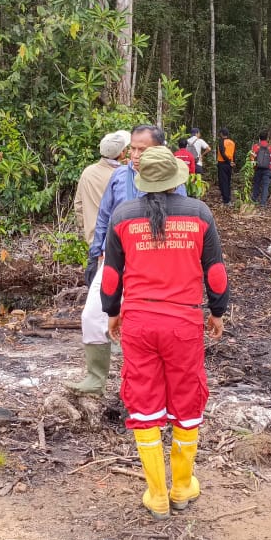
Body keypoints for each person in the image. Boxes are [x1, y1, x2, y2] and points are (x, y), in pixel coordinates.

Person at [101, 146, 229, 519]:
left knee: (143, 400)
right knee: (187, 398)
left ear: (142, 182)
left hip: (138, 323)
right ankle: (182, 487)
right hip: (184, 325)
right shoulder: (199, 213)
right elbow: (215, 272)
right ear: (176, 178)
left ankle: (156, 494)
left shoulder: (123, 216)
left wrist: (112, 313)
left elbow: (111, 275)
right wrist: (217, 312)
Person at [68, 125, 187, 394]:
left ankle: (144, 384)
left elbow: (181, 221)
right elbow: (104, 217)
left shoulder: (174, 182)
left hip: (153, 262)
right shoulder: (120, 177)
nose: (134, 154)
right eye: (132, 148)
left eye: (141, 149)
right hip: (114, 256)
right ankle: (95, 378)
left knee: (144, 322)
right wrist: (95, 253)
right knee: (92, 314)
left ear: (158, 150)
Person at [74, 131, 131, 241]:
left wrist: (86, 225)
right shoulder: (124, 175)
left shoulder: (87, 172)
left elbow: (78, 205)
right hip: (117, 239)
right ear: (122, 153)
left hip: (94, 237)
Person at [250, 132, 271, 206]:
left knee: (256, 184)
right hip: (267, 169)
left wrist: (253, 168)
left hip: (257, 169)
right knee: (265, 186)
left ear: (259, 138)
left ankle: (254, 199)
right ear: (267, 138)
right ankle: (263, 203)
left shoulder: (255, 146)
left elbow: (252, 158)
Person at [216, 128, 235, 205]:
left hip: (223, 164)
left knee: (223, 182)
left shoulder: (221, 142)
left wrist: (228, 161)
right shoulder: (232, 142)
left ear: (221, 134)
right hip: (229, 164)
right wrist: (232, 162)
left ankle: (226, 200)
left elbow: (223, 153)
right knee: (228, 181)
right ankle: (228, 198)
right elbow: (234, 154)